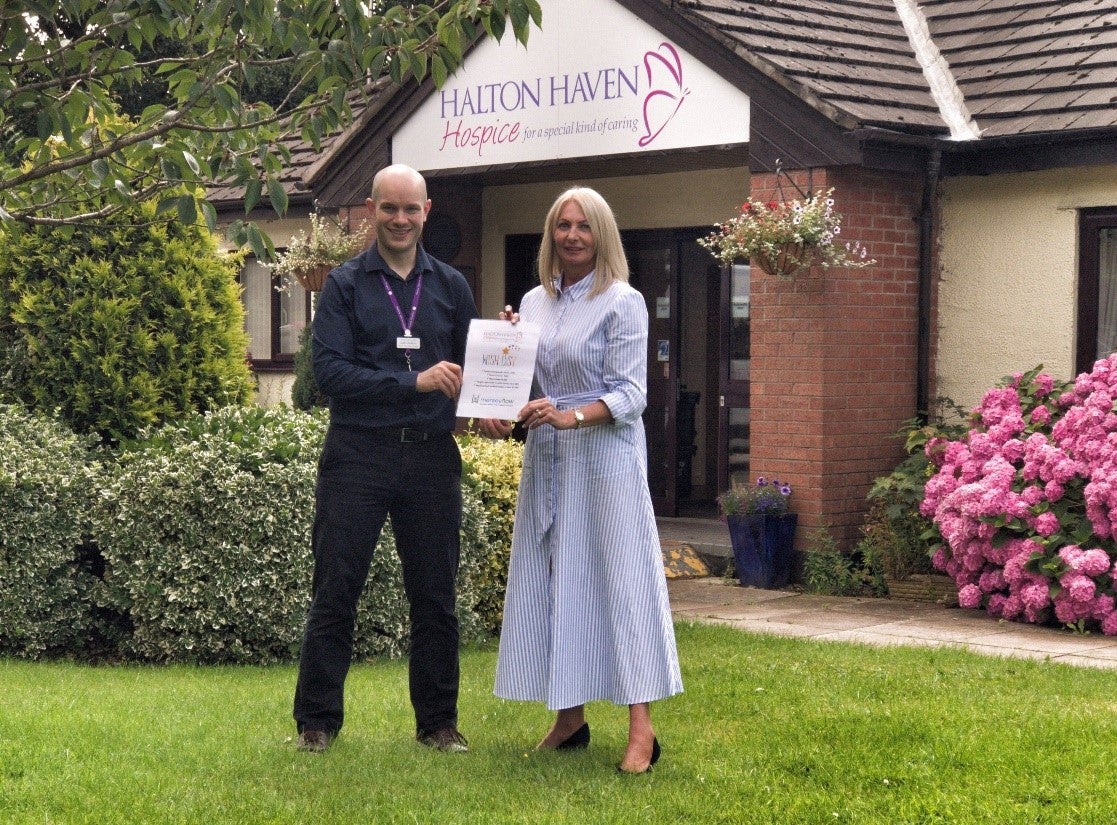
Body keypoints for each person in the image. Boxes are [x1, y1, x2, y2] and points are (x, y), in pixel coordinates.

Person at [486, 186, 683, 774]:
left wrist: (572, 415)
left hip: (605, 464)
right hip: (548, 461)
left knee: (620, 583)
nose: (571, 235)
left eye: (583, 226)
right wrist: (504, 381)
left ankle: (641, 729)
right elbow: (526, 385)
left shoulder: (623, 301)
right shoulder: (532, 302)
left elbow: (632, 394)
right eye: (562, 226)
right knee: (554, 581)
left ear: (602, 235)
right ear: (550, 235)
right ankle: (569, 718)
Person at [293, 164, 477, 754]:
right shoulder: (344, 285)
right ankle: (316, 724)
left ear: (427, 211)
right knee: (336, 590)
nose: (400, 220)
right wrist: (413, 383)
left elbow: (467, 376)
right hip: (358, 456)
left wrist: (496, 381)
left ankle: (439, 725)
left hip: (430, 461)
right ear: (371, 209)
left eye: (411, 210)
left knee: (435, 599)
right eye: (389, 209)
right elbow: (331, 375)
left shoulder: (451, 286)